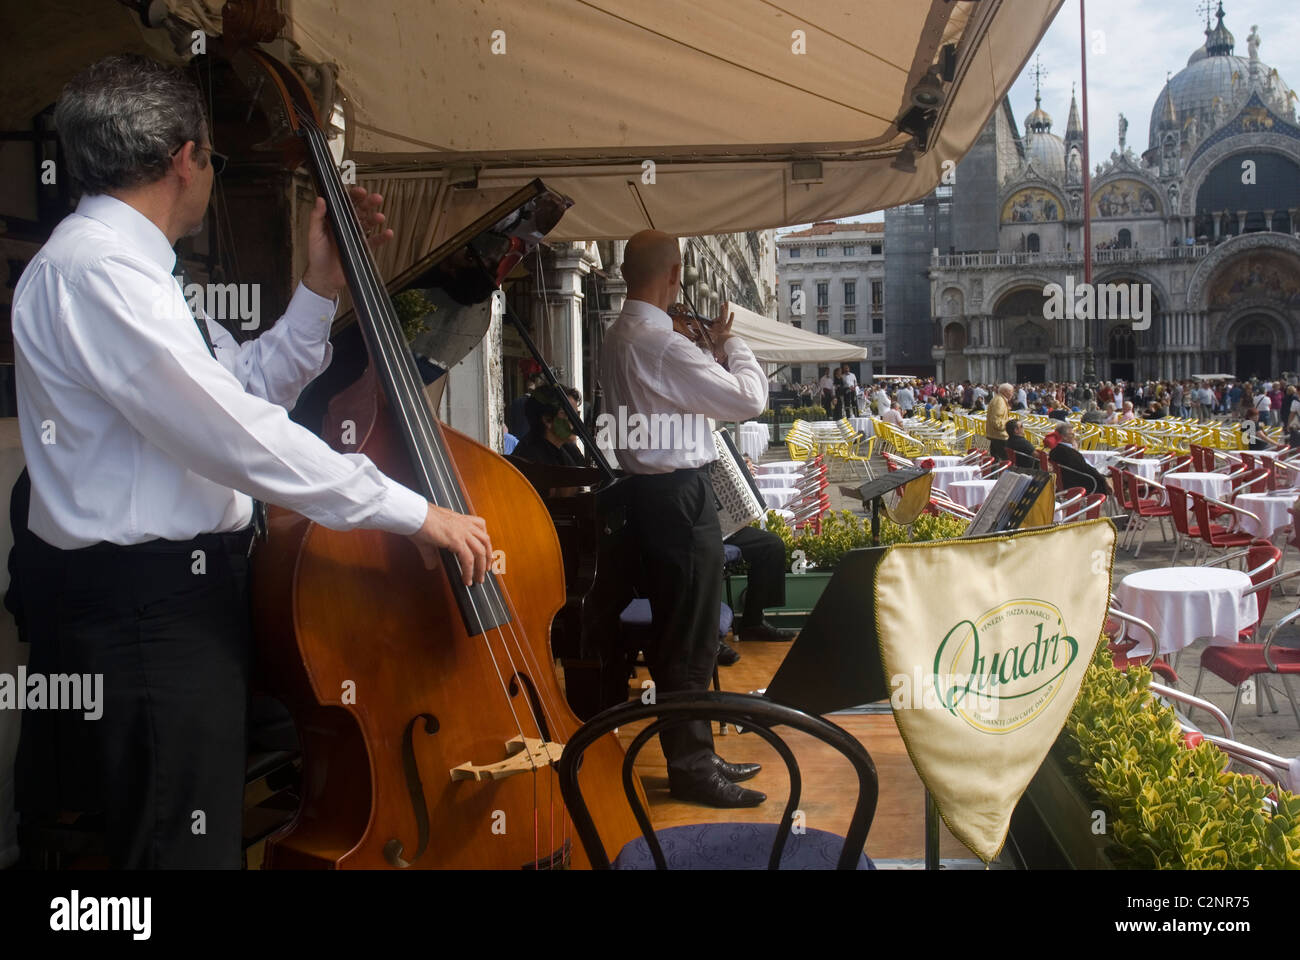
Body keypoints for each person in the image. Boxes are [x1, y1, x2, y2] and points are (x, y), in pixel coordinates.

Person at [9, 55, 492, 869]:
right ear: (184, 158)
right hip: (144, 607)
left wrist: (318, 285)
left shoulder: (132, 269)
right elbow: (229, 430)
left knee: (190, 836)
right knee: (176, 854)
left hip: (179, 598)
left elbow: (244, 388)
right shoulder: (94, 271)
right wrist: (410, 510)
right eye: (213, 160)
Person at [601, 229, 768, 808]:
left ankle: (696, 755)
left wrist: (699, 351)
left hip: (650, 498)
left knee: (684, 633)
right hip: (680, 499)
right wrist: (729, 345)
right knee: (692, 639)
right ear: (675, 274)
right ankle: (693, 770)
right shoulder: (666, 345)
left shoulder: (619, 334)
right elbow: (749, 400)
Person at [1049, 424, 1110, 495]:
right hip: (1084, 483)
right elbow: (1085, 468)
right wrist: (1103, 478)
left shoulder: (1056, 450)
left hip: (1068, 481)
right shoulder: (1068, 452)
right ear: (1064, 437)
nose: (1074, 437)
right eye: (1072, 434)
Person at [986, 383, 1012, 460]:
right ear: (1005, 391)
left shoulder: (998, 399)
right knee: (1005, 460)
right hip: (1000, 435)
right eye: (1011, 391)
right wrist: (1008, 425)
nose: (1012, 394)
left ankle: (996, 472)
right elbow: (996, 421)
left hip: (995, 434)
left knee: (995, 460)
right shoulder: (999, 401)